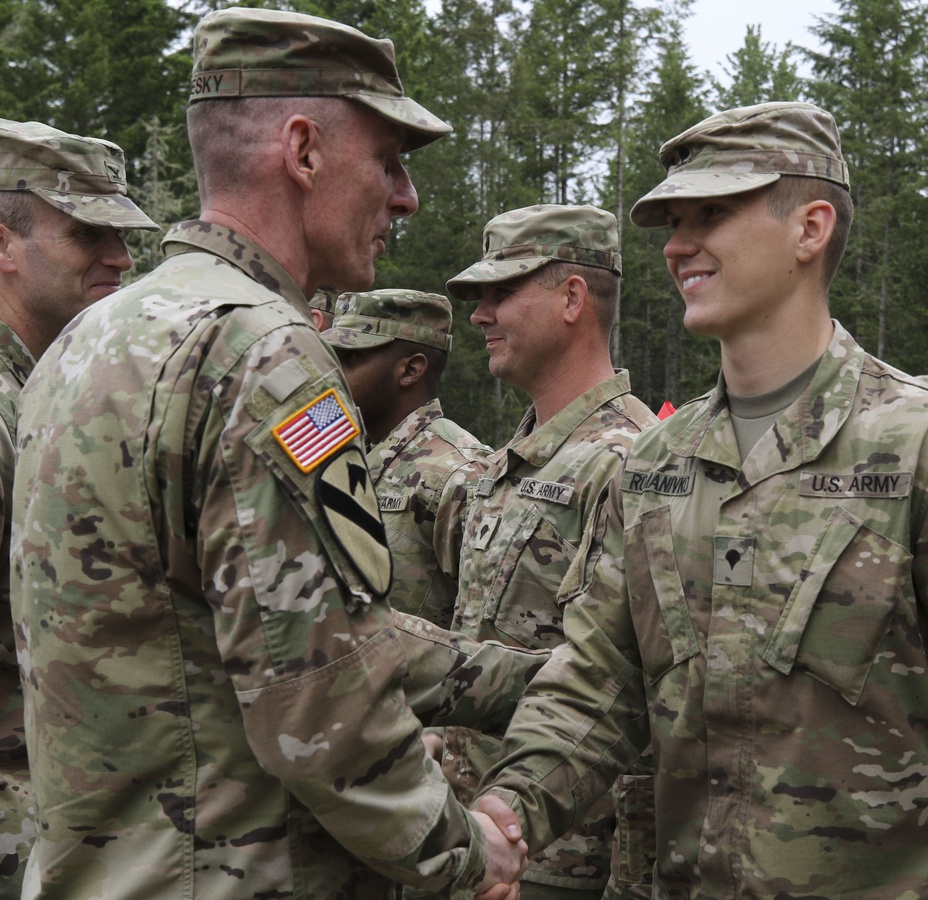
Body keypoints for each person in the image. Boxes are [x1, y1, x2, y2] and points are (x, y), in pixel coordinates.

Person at [11, 9, 527, 899]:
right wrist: (463, 849)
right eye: (390, 160)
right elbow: (318, 697)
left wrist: (518, 679)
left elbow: (267, 617)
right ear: (303, 150)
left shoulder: (91, 337)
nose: (405, 197)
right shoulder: (265, 355)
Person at [474, 101, 928, 897]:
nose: (678, 245)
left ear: (810, 228)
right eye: (673, 221)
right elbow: (598, 679)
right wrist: (508, 815)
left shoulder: (911, 446)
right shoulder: (657, 464)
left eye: (713, 213)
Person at [0, 116, 157, 898]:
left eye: (123, 236)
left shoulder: (32, 389)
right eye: (90, 234)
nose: (121, 259)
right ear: (0, 244)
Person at [441, 205, 659, 899]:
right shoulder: (513, 460)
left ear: (573, 299)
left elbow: (621, 685)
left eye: (501, 293)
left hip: (562, 860)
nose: (480, 315)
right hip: (479, 837)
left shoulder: (627, 462)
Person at [325, 288, 491, 627]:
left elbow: (481, 636)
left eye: (351, 359)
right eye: (332, 358)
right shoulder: (344, 454)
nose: (333, 373)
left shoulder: (461, 475)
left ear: (410, 370)